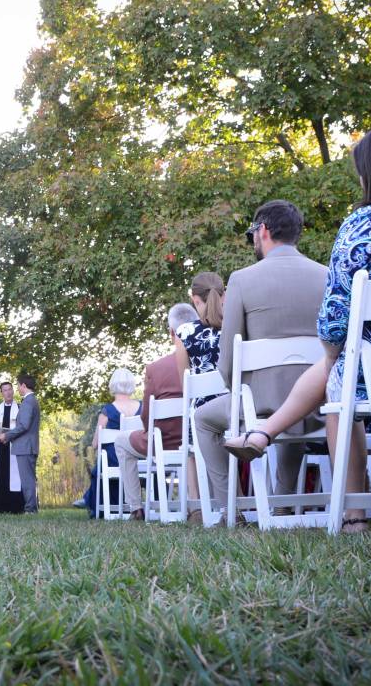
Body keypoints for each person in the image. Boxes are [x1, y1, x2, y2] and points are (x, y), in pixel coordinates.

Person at [224, 124, 371, 532]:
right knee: (338, 368)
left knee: (338, 372)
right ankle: (264, 433)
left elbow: (336, 317)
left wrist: (333, 354)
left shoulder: (364, 225)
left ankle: (353, 512)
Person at [194, 200, 328, 515]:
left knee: (202, 419)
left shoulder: (242, 279)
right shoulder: (325, 275)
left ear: (263, 230)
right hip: (318, 405)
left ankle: (232, 509)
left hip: (261, 404)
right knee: (293, 407)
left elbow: (228, 362)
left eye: (251, 233)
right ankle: (282, 506)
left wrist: (239, 391)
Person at [112, 305, 193, 520]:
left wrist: (149, 432)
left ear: (172, 332)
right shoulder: (208, 361)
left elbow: (147, 416)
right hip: (200, 439)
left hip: (163, 441)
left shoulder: (156, 368)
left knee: (121, 442)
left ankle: (135, 507)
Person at [176, 272, 225, 521]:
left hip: (203, 413)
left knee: (191, 428)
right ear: (224, 296)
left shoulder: (184, 332)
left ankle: (197, 506)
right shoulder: (238, 326)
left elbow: (185, 383)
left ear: (195, 300)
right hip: (240, 409)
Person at [79, 368, 141, 517]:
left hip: (115, 459)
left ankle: (90, 501)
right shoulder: (143, 407)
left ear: (113, 385)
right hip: (140, 457)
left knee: (100, 466)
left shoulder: (107, 410)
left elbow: (96, 444)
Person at [0, 374, 40, 513]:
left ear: (24, 386)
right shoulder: (32, 400)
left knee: (27, 480)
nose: (18, 389)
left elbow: (23, 426)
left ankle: (30, 509)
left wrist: (6, 435)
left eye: (18, 386)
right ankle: (32, 508)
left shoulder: (27, 402)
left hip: (25, 447)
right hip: (28, 446)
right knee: (29, 479)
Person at [0, 381, 24, 514]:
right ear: (1, 393)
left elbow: (23, 428)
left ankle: (16, 508)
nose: (8, 392)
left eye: (10, 389)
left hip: (14, 447)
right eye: (5, 390)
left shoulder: (20, 408)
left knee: (15, 476)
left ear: (13, 391)